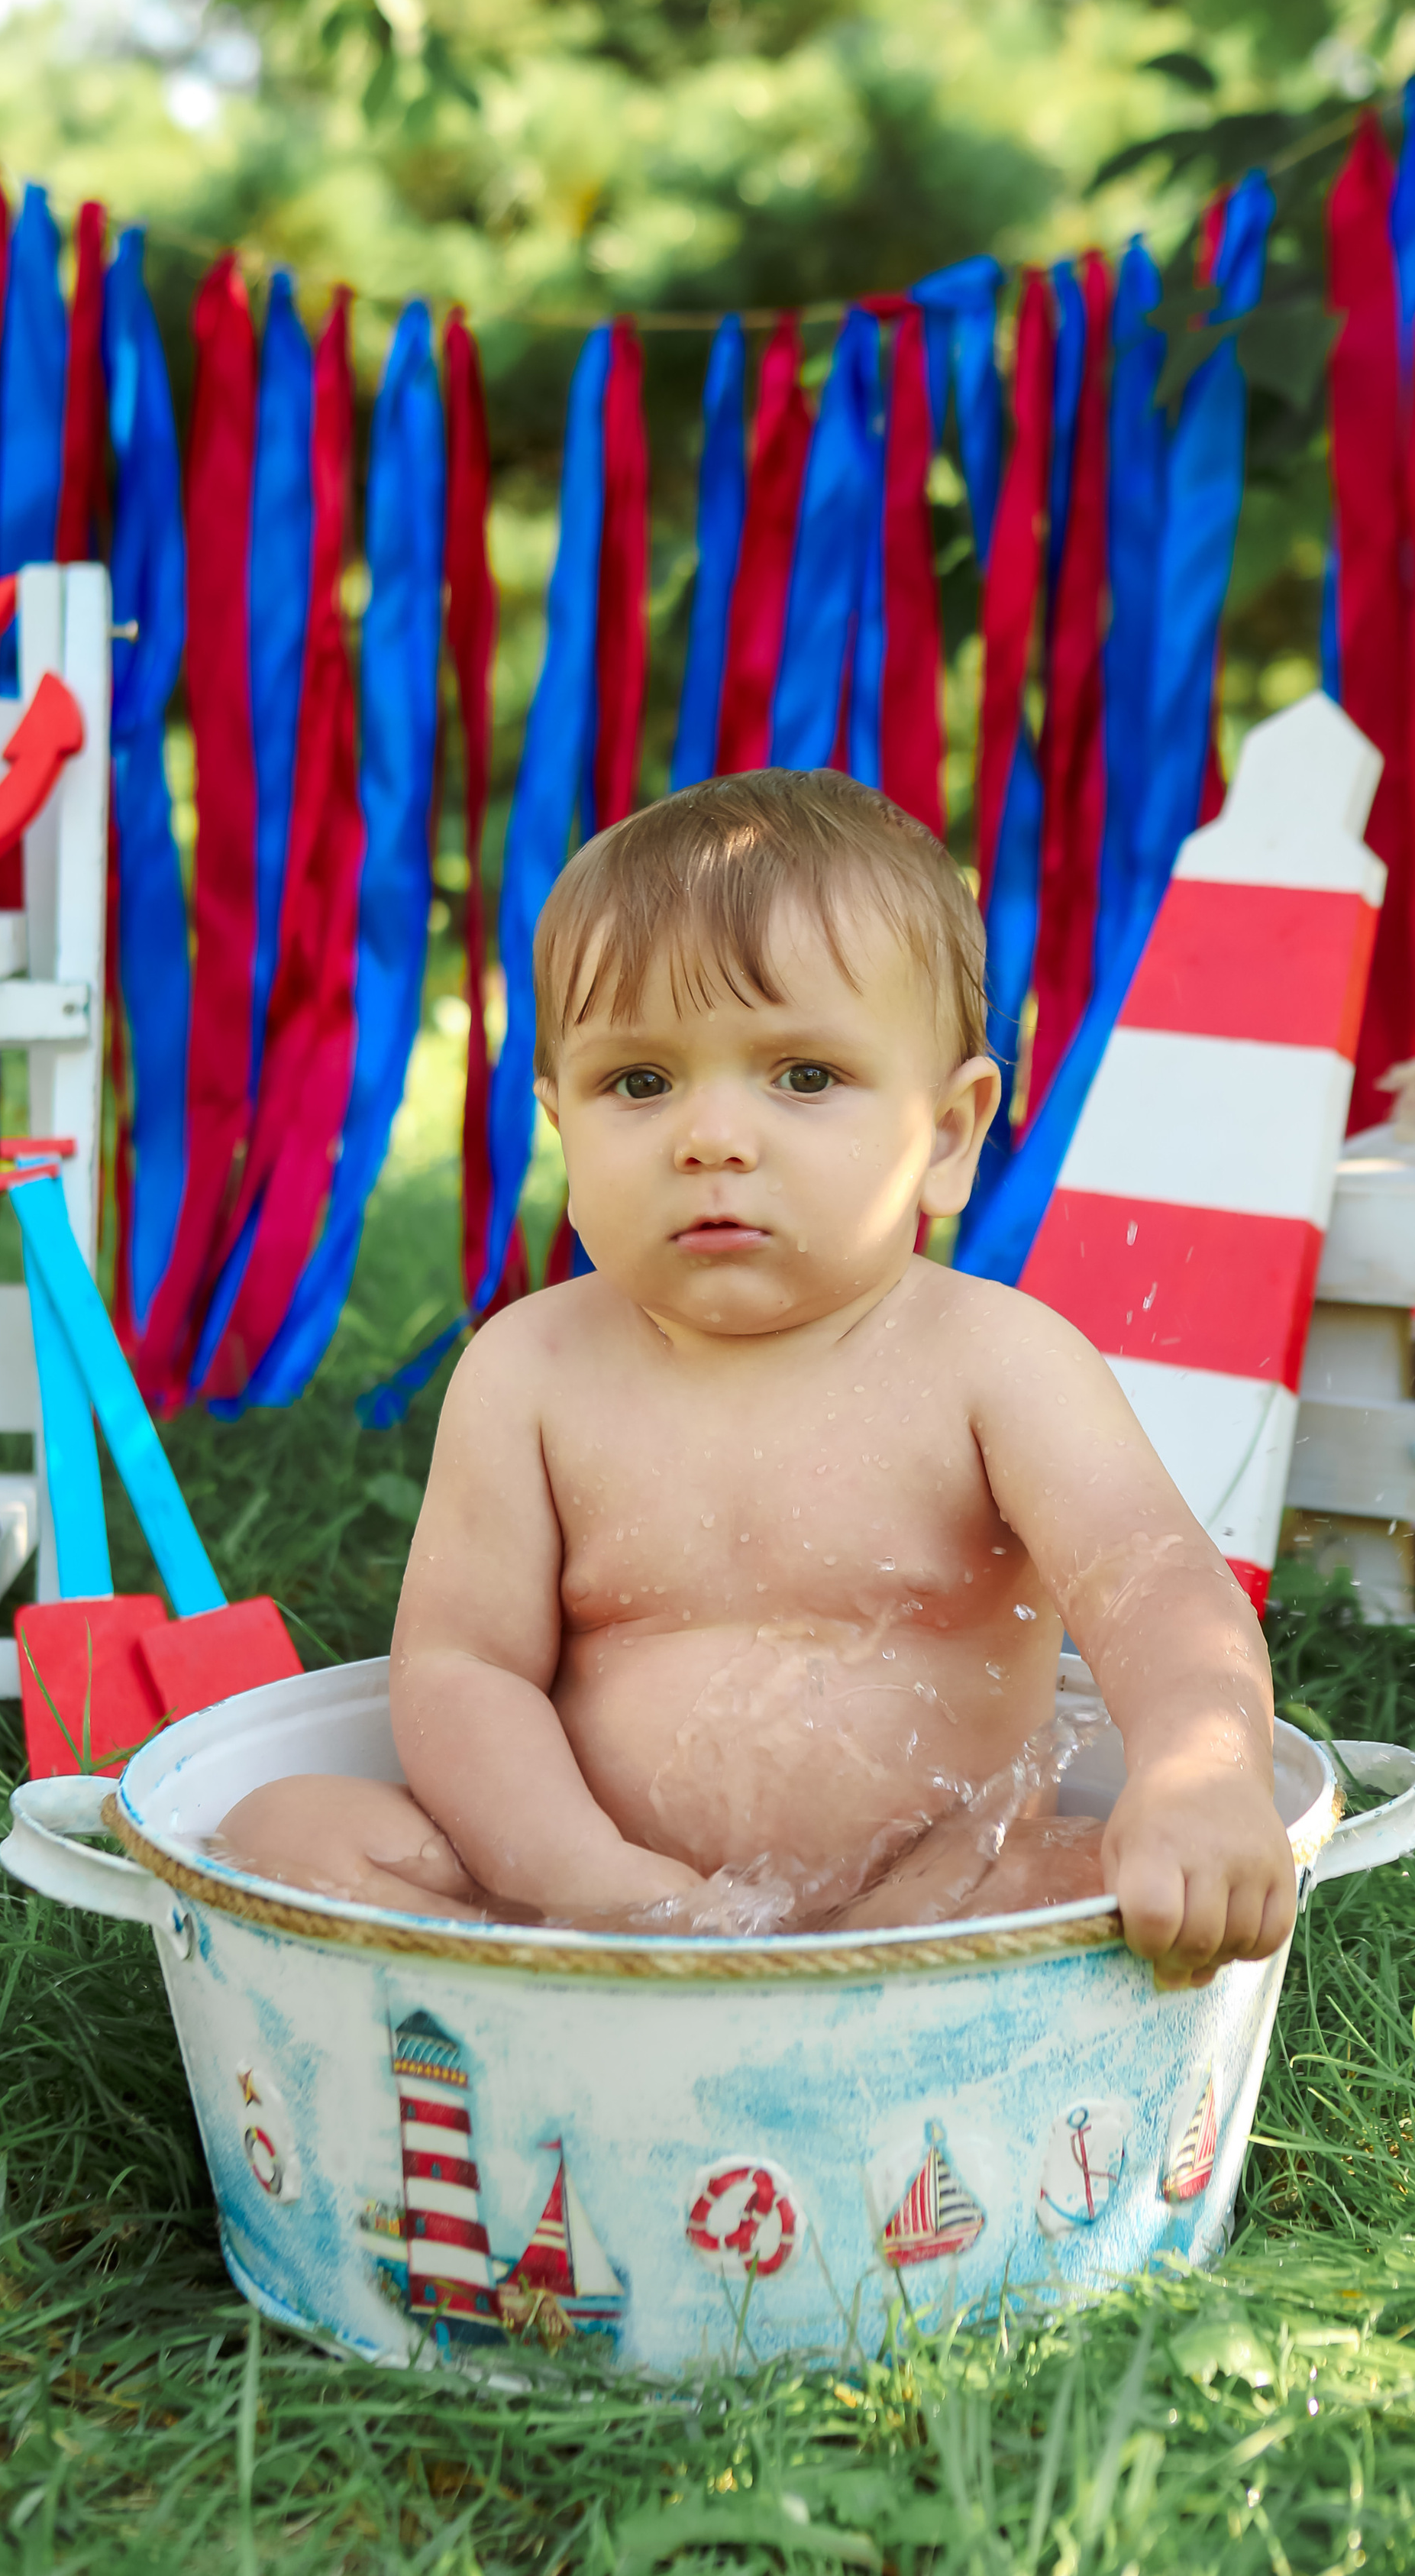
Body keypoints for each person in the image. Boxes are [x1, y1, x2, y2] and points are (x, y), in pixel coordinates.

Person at [217, 770, 1296, 1986]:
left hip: (943, 1910)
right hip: (591, 1907)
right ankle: (529, 2021)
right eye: (640, 1082)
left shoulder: (996, 1364)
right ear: (563, 1129)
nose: (712, 1137)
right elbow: (465, 1672)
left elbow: (1157, 1586)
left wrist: (1199, 1773)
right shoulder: (531, 1373)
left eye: (802, 1076)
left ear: (945, 1135)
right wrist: (585, 1883)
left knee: (1131, 1883)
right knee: (283, 1832)